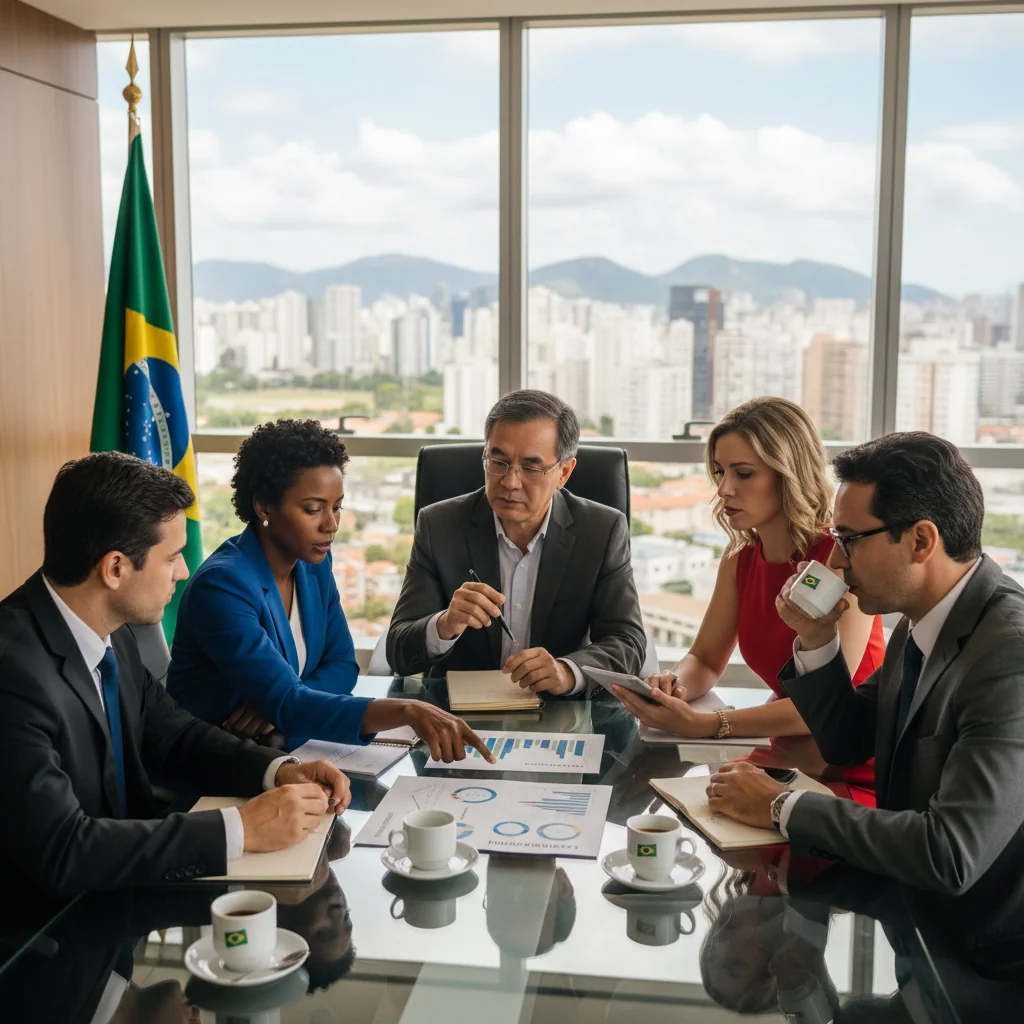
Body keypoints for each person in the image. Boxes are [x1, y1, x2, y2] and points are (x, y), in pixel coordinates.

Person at [0, 452, 349, 901]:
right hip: (45, 934)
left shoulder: (111, 631)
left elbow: (176, 735)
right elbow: (64, 849)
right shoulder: (13, 673)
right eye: (172, 557)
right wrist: (241, 829)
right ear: (115, 568)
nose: (184, 572)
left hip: (127, 890)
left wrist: (279, 770)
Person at [706, 433, 1024, 921]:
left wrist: (781, 807)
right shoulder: (924, 620)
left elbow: (951, 853)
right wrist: (816, 638)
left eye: (849, 540)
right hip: (907, 903)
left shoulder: (1009, 656)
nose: (833, 561)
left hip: (976, 955)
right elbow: (848, 742)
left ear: (921, 541)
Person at [168, 420, 493, 764]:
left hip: (280, 751)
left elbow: (343, 665)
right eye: (313, 509)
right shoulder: (223, 586)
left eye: (337, 506)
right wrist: (407, 710)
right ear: (264, 507)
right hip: (212, 767)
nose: (331, 524)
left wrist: (282, 704)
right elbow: (291, 703)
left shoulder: (312, 564)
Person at [611, 397, 884, 802]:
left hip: (855, 762)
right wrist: (672, 687)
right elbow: (704, 660)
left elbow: (826, 708)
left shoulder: (841, 557)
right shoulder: (740, 561)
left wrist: (709, 724)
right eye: (720, 472)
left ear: (787, 474)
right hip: (789, 751)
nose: (723, 489)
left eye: (743, 473)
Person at [387, 390, 646, 695]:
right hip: (460, 716)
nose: (510, 481)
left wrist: (566, 672)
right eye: (498, 462)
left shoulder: (603, 531)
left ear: (563, 472)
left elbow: (627, 641)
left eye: (531, 468)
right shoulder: (439, 525)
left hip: (562, 713)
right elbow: (398, 650)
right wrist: (444, 624)